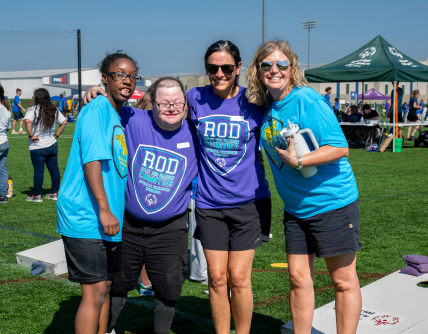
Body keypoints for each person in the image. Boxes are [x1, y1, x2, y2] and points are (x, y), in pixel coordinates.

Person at [246, 40, 361, 334]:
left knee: (342, 281)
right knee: (298, 279)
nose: (275, 70)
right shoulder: (267, 107)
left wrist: (300, 160)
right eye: (267, 65)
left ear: (292, 68)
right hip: (296, 209)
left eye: (281, 64)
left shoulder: (306, 100)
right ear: (258, 72)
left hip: (332, 202)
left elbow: (339, 147)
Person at [83, 77, 198, 334]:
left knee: (168, 287)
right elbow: (107, 105)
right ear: (152, 104)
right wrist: (95, 92)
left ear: (186, 105)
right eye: (164, 102)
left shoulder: (195, 133)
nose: (171, 107)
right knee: (119, 283)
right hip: (129, 225)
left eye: (177, 102)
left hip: (171, 229)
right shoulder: (134, 119)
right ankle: (108, 329)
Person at [188, 40, 271, 334]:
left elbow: (291, 105)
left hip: (250, 203)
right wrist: (102, 95)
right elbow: (156, 107)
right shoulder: (193, 98)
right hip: (209, 204)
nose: (219, 73)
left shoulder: (256, 102)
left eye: (226, 67)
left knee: (238, 277)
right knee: (217, 278)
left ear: (237, 68)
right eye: (213, 68)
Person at [56, 52, 138, 334]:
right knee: (94, 294)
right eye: (120, 74)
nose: (127, 81)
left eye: (132, 76)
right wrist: (104, 209)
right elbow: (92, 160)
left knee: (104, 287)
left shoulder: (118, 112)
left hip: (106, 217)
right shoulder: (97, 109)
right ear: (105, 78)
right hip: (86, 215)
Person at [24, 88, 68, 202]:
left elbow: (27, 121)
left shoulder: (33, 109)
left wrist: (31, 135)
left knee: (39, 170)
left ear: (37, 97)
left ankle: (37, 195)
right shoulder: (54, 109)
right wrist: (56, 135)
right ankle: (54, 193)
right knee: (54, 170)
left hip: (37, 145)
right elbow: (64, 122)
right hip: (52, 144)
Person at [0, 85, 11, 204]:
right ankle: (2, 196)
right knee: (2, 169)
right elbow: (7, 128)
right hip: (4, 141)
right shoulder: (6, 110)